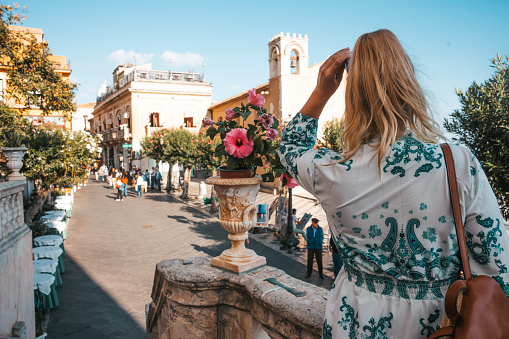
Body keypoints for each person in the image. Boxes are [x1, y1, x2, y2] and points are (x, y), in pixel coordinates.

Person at [278, 29, 509, 338]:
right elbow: (498, 267)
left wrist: (322, 92)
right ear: (409, 82)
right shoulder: (458, 164)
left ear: (352, 94)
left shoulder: (331, 171)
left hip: (355, 322)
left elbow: (290, 147)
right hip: (443, 325)